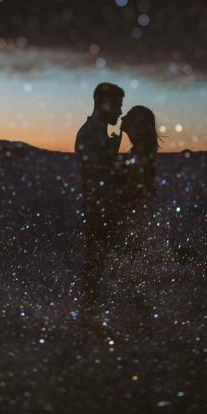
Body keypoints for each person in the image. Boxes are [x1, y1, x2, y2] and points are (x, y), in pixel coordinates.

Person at [74, 82, 124, 317]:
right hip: (98, 211)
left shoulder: (98, 133)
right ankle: (88, 320)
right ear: (105, 105)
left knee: (99, 267)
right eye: (118, 106)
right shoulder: (90, 134)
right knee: (95, 269)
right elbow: (97, 177)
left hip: (104, 209)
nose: (120, 112)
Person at [115, 106, 160, 252]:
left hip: (135, 217)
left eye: (128, 116)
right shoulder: (141, 152)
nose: (122, 118)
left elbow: (131, 189)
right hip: (137, 216)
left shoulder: (139, 155)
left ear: (137, 125)